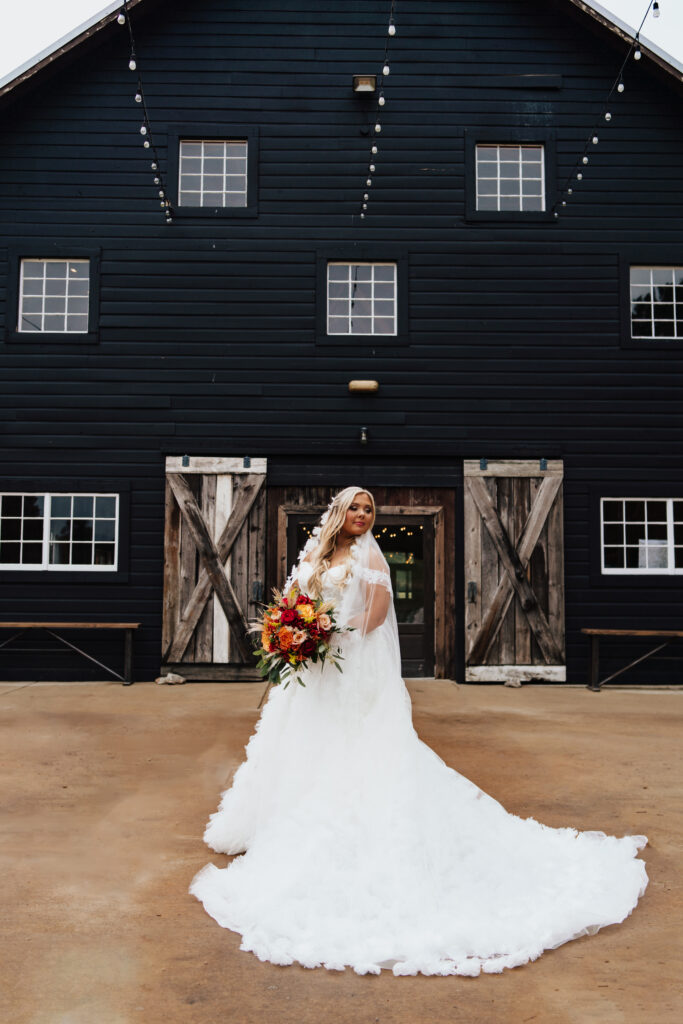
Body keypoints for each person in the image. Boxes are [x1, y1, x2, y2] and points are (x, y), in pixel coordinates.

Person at [190, 486, 648, 977]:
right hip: (311, 672)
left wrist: (326, 637)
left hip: (347, 665)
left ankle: (342, 834)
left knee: (354, 750)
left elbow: (379, 613)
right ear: (339, 514)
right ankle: (281, 824)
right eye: (356, 509)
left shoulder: (372, 557)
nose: (363, 516)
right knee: (300, 744)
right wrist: (292, 632)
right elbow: (299, 599)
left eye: (369, 509)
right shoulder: (317, 551)